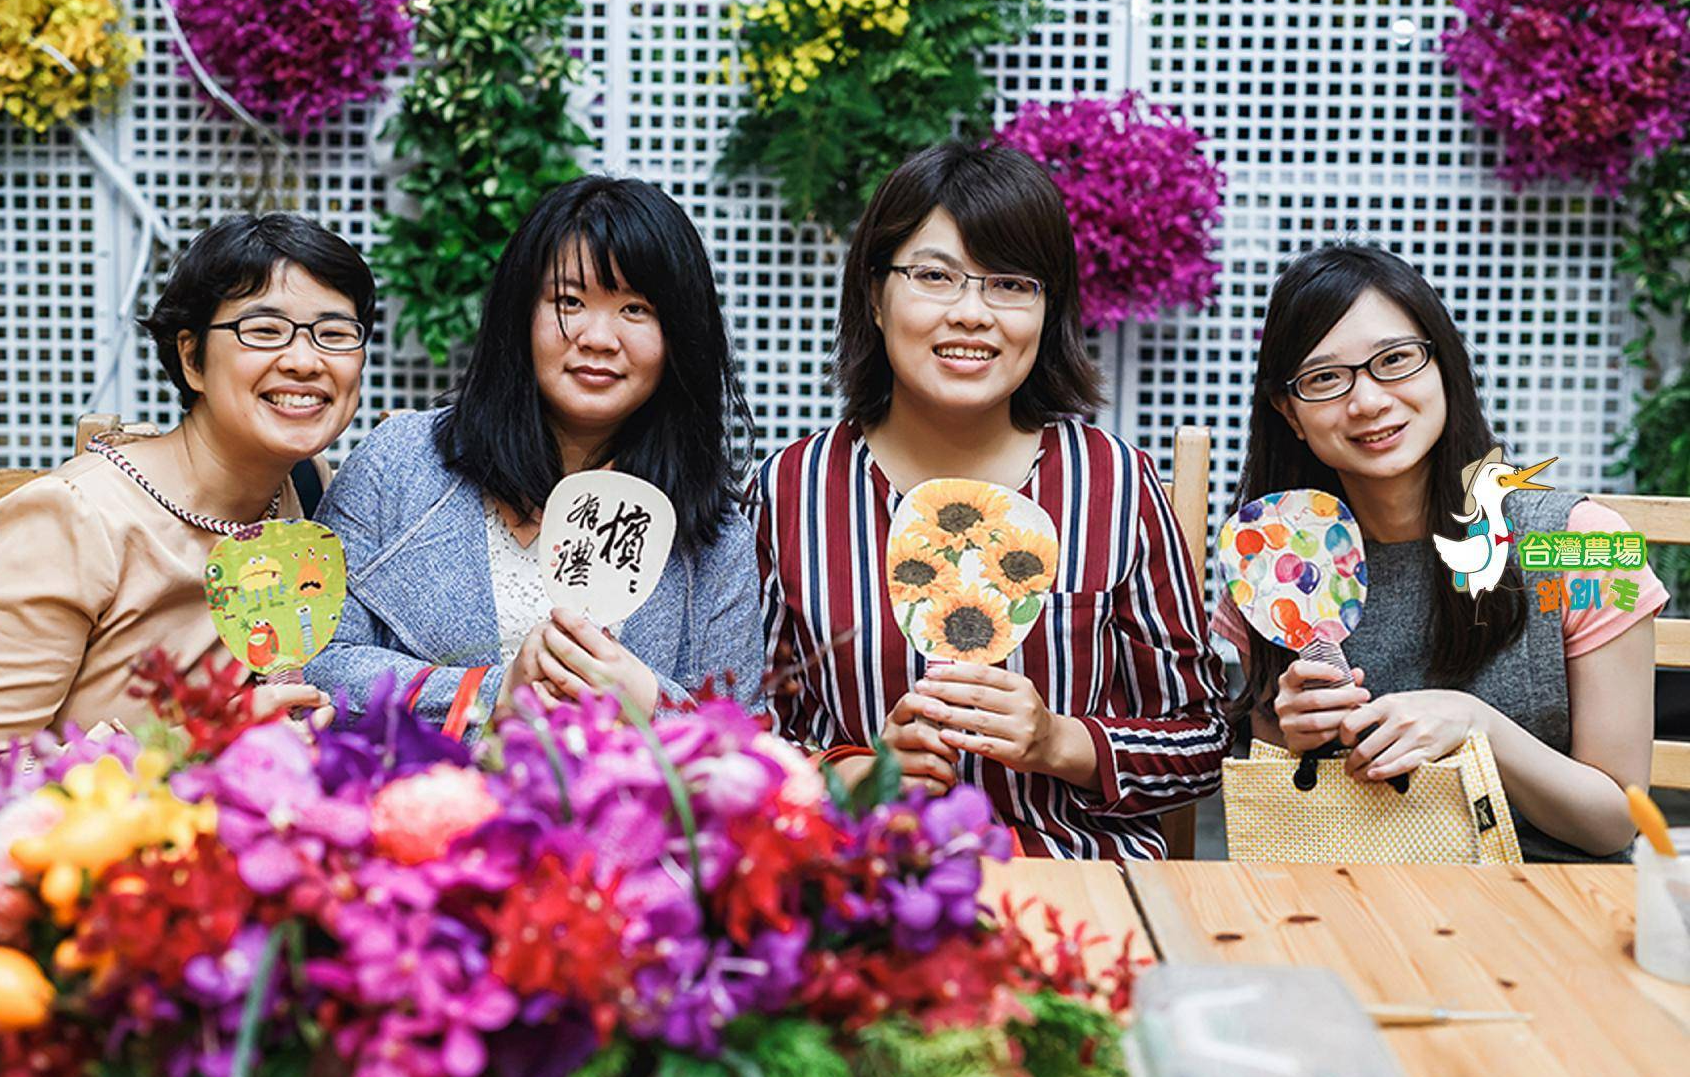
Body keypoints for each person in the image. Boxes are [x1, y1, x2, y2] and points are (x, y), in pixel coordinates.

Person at [752, 142, 1231, 860]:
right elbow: (748, 736)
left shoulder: (1116, 485)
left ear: (1048, 311)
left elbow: (1203, 739)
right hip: (869, 889)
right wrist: (852, 776)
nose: (973, 313)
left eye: (1010, 284)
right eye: (935, 277)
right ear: (876, 297)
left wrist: (1062, 742)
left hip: (1079, 887)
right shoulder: (792, 489)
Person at [0, 213, 371, 832]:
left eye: (335, 333)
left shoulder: (303, 486)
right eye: (264, 330)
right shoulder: (68, 520)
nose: (305, 361)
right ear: (192, 359)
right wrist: (197, 747)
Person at [1216, 242, 1667, 861]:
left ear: (1443, 365)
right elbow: (1285, 823)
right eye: (1325, 378)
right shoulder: (1274, 565)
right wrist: (1292, 737)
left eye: (1395, 360)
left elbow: (1616, 822)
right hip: (1351, 902)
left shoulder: (1581, 546)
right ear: (1289, 413)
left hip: (1548, 906)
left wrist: (1476, 725)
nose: (1368, 401)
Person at [307, 175, 763, 735]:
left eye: (635, 309)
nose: (598, 337)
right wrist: (489, 695)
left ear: (681, 335)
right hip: (418, 810)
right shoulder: (398, 464)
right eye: (569, 301)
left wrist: (647, 702)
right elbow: (315, 665)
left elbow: (748, 743)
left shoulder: (713, 537)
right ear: (520, 314)